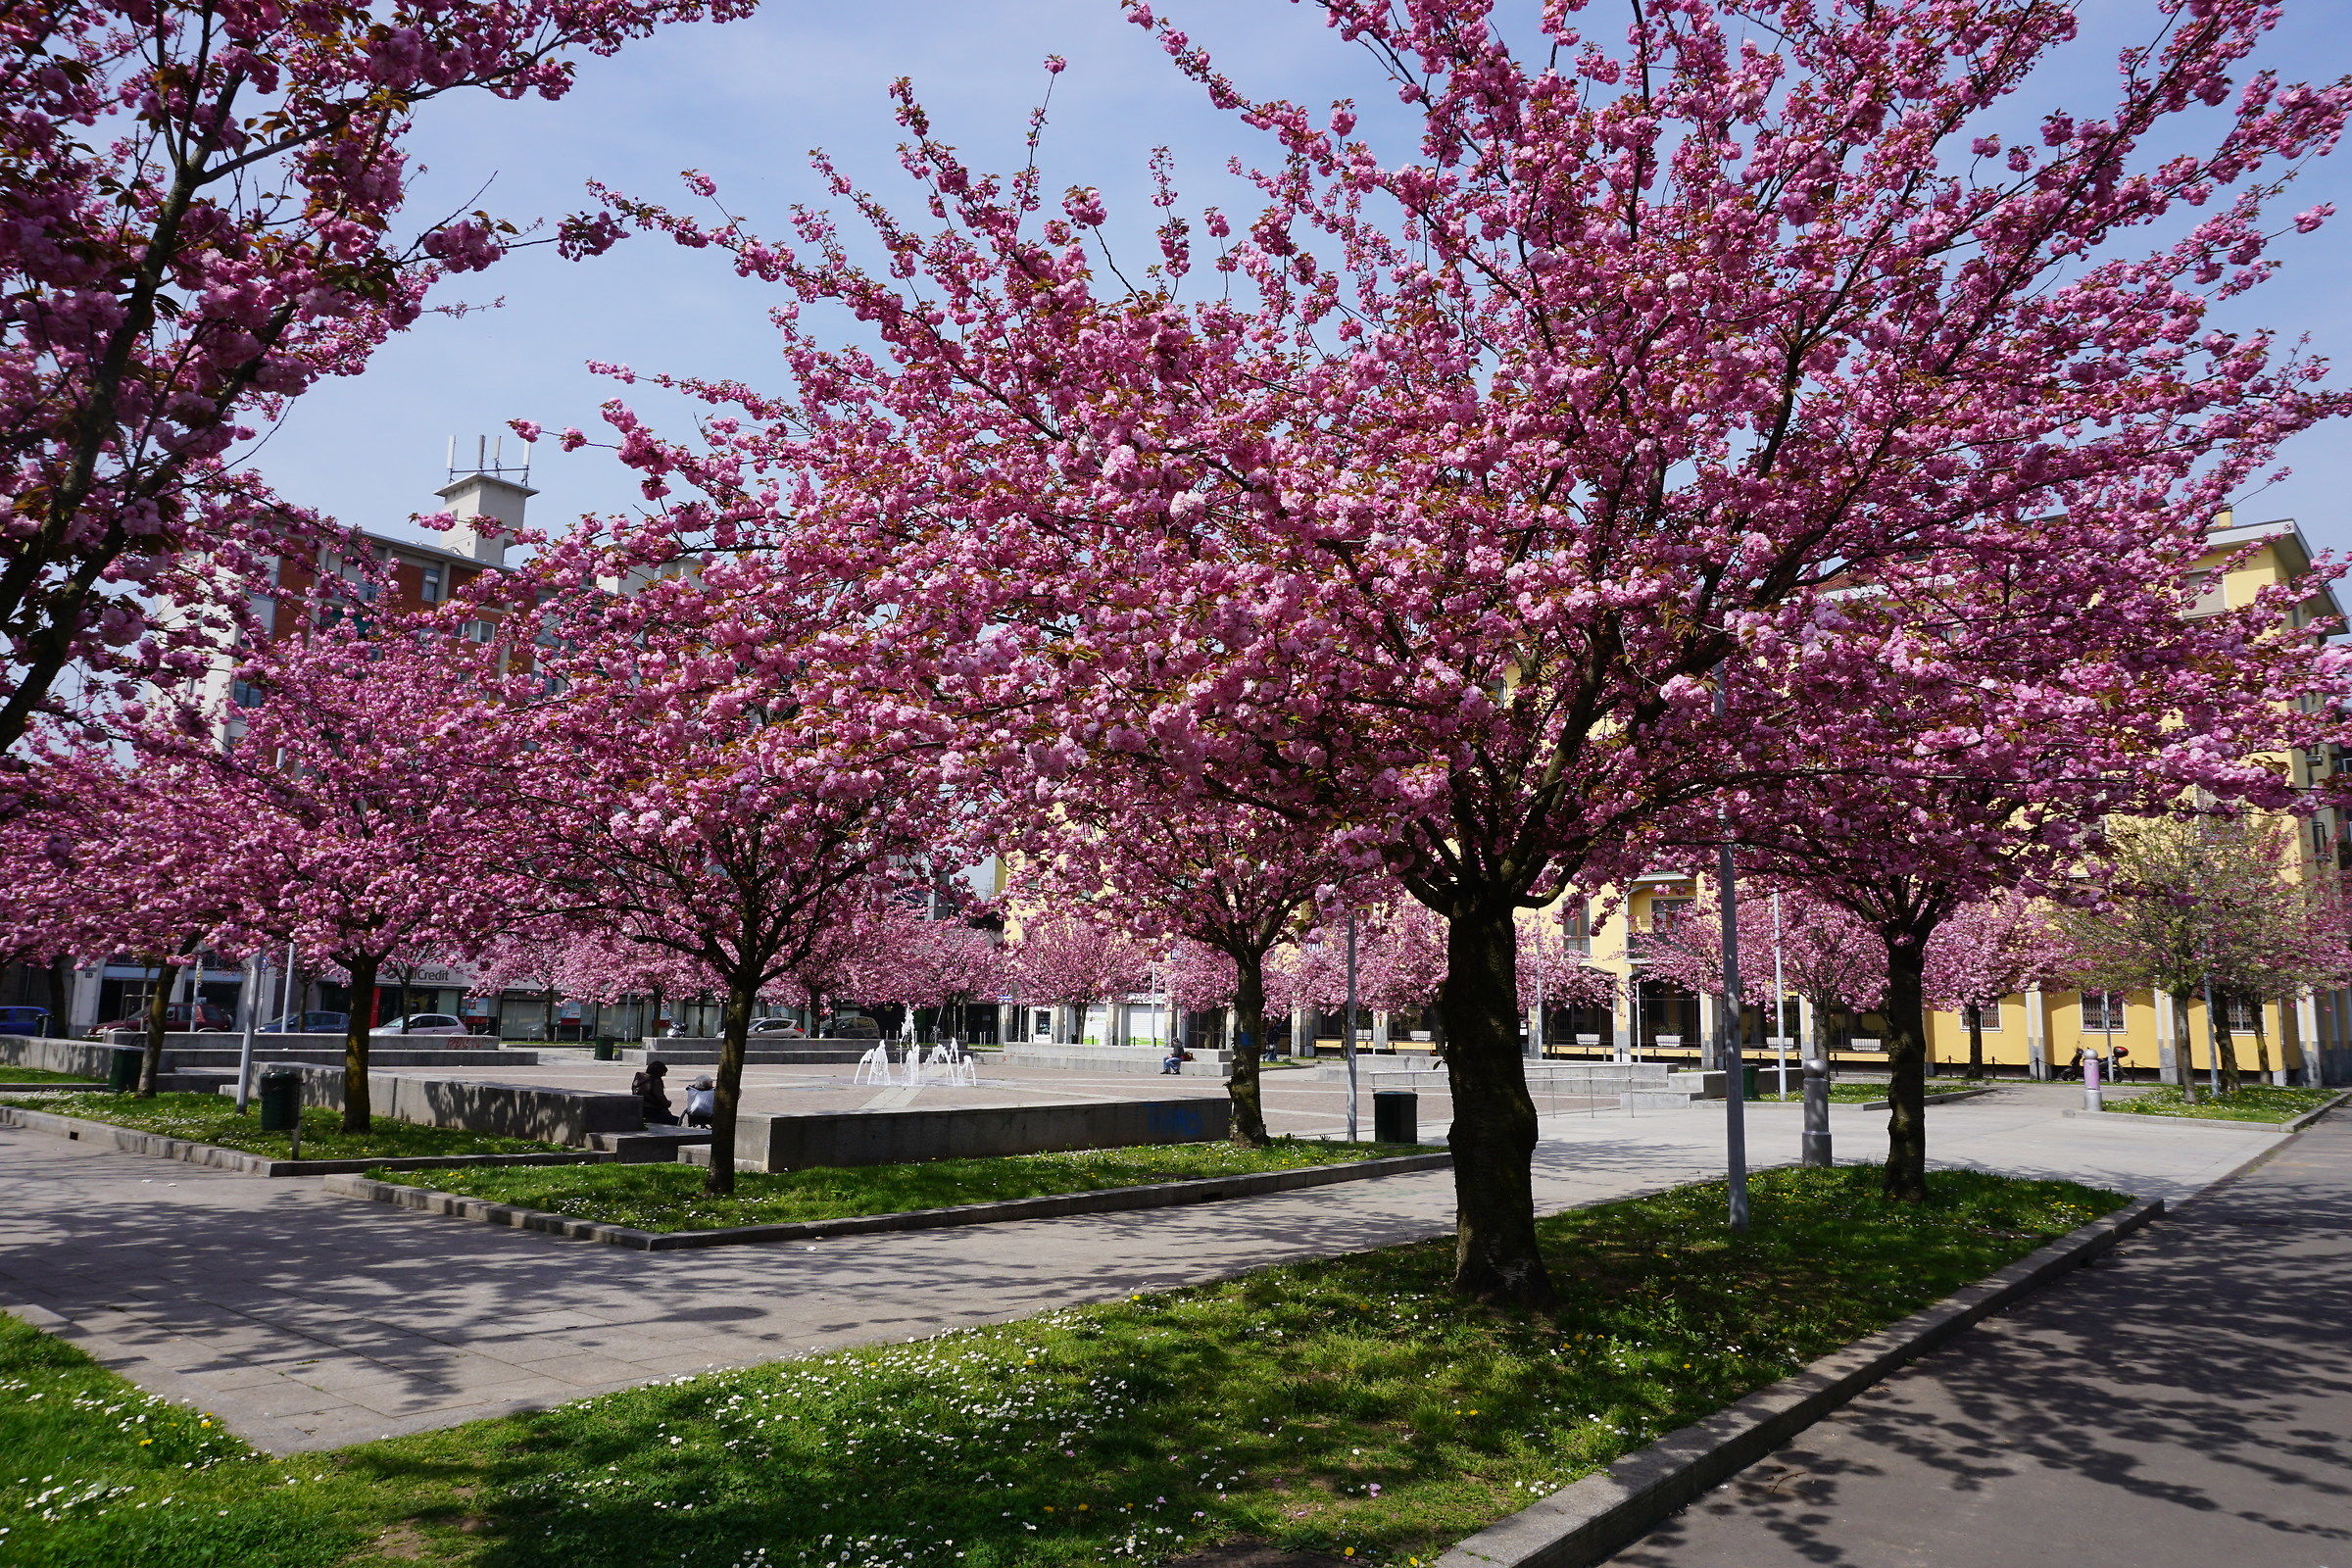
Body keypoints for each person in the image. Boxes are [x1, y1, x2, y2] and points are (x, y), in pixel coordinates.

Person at [632, 1059, 678, 1125]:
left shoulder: (639, 1078)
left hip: (639, 1107)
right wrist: (668, 1103)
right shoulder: (655, 1080)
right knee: (675, 1120)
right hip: (652, 1110)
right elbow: (660, 1097)